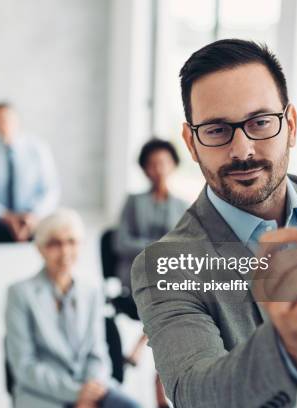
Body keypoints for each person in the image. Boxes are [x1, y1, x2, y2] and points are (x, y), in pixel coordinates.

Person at [131, 39, 297, 407]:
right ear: (191, 143)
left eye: (261, 122)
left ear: (292, 125)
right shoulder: (166, 266)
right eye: (218, 130)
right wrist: (286, 346)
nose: (242, 150)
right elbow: (195, 391)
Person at [5, 209, 139, 408]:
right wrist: (76, 394)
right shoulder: (20, 293)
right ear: (40, 248)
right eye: (55, 244)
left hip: (92, 388)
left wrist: (89, 392)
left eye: (71, 242)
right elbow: (24, 367)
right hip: (42, 395)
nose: (65, 251)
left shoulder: (91, 292)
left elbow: (97, 352)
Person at [114, 138, 188, 407]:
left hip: (168, 281)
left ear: (173, 166)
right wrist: (155, 250)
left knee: (170, 304)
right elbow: (120, 242)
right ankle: (160, 395)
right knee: (171, 310)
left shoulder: (182, 205)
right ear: (145, 169)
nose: (159, 169)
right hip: (136, 276)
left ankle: (140, 345)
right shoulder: (133, 202)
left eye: (164, 163)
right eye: (153, 164)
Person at [0, 102, 60, 313]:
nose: (4, 124)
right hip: (2, 220)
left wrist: (32, 217)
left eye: (7, 119)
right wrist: (8, 217)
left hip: (33, 218)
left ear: (17, 119)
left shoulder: (38, 149)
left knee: (57, 229)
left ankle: (54, 285)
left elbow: (51, 190)